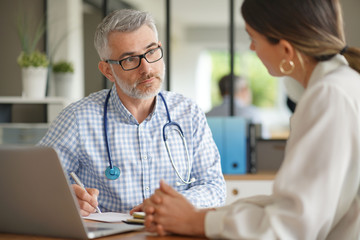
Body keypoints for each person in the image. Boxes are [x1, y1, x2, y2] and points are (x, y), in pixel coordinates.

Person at [143, 0, 360, 239]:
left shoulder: (328, 95)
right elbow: (293, 204)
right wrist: (206, 214)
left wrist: (197, 221)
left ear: (286, 49)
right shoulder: (341, 86)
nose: (252, 49)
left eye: (253, 38)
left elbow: (291, 226)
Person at [38, 9, 226, 216]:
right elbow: (32, 182)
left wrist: (169, 204)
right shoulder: (78, 118)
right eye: (129, 59)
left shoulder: (188, 113)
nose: (146, 68)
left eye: (151, 51)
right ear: (107, 70)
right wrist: (65, 198)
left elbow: (214, 186)